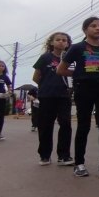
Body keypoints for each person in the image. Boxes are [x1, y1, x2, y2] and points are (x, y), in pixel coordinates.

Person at [57, 17, 99, 179]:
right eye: (93, 26)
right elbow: (61, 70)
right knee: (84, 125)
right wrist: (79, 75)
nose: (98, 28)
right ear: (85, 30)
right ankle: (79, 164)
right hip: (83, 89)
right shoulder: (77, 48)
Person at [33, 32, 74, 166]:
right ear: (52, 43)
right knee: (45, 126)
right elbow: (36, 77)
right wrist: (47, 86)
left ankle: (64, 156)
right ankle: (45, 155)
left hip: (64, 96)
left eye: (64, 40)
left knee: (66, 124)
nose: (61, 42)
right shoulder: (45, 58)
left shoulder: (71, 59)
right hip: (47, 96)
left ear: (68, 43)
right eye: (58, 40)